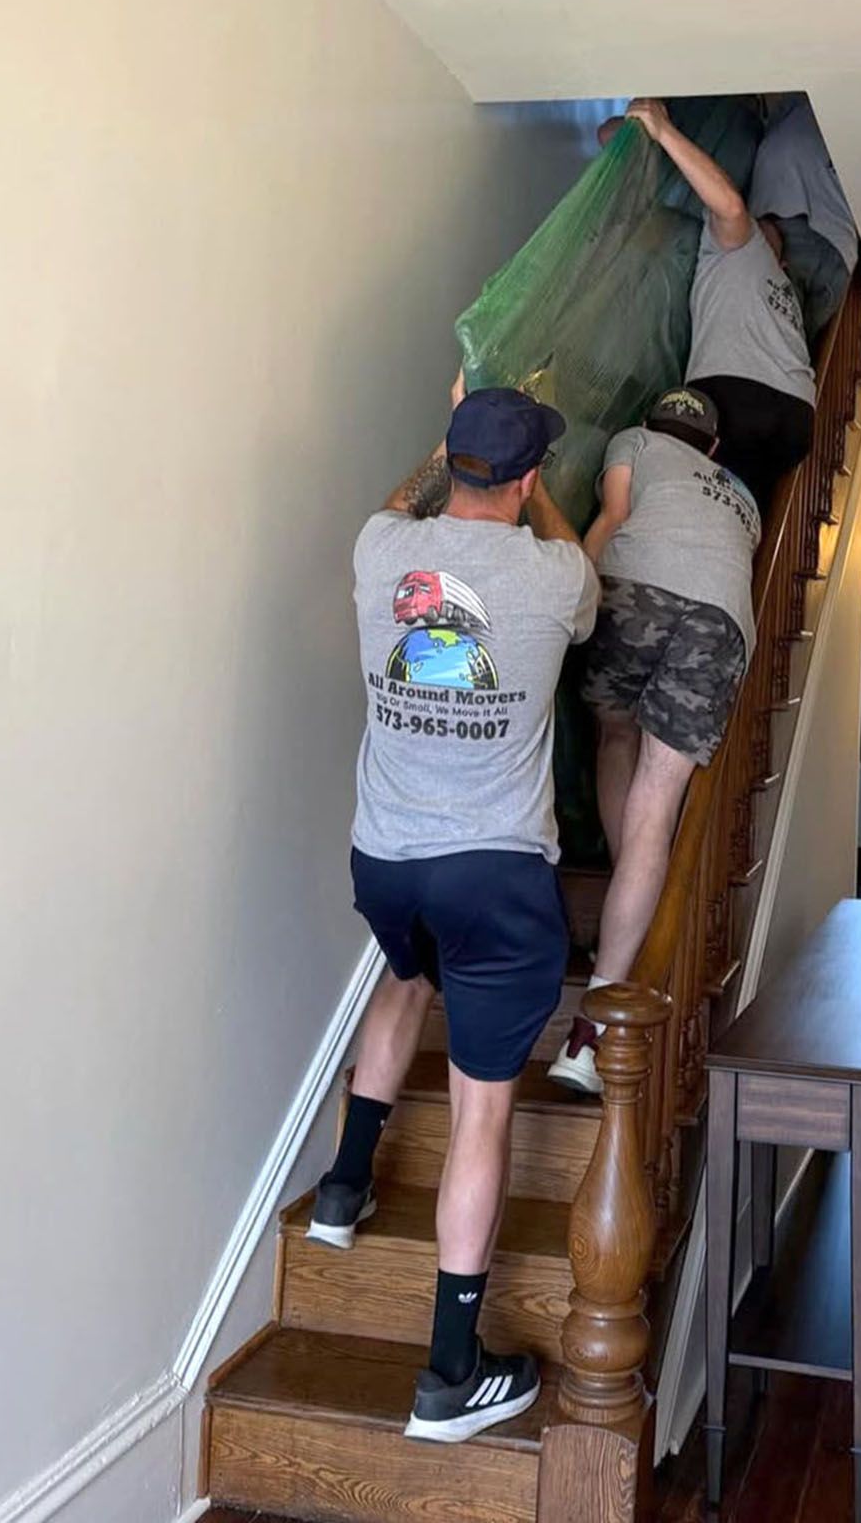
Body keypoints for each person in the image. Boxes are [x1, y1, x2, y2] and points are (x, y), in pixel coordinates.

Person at [308, 379, 597, 1444]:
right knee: (480, 1113)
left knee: (404, 975)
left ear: (449, 462)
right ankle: (449, 1372)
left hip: (386, 862)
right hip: (494, 879)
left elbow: (402, 500)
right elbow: (574, 570)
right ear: (526, 479)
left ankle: (342, 1191)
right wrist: (543, 494)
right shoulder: (555, 573)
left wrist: (445, 444)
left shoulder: (381, 547)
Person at [550, 386, 760, 1095]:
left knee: (615, 733)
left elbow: (612, 519)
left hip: (634, 591)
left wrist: (570, 600)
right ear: (714, 448)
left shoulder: (634, 443)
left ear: (652, 423)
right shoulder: (741, 495)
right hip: (720, 622)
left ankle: (625, 898)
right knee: (659, 796)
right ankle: (591, 1033)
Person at [623, 97, 816, 509]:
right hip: (793, 415)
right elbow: (608, 134)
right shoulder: (780, 288)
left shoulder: (744, 247)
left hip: (738, 398)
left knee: (688, 499)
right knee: (726, 510)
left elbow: (729, 206)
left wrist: (662, 130)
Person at [749, 91, 860, 343]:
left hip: (814, 234)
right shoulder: (802, 117)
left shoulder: (794, 117)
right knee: (780, 337)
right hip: (814, 231)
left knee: (779, 336)